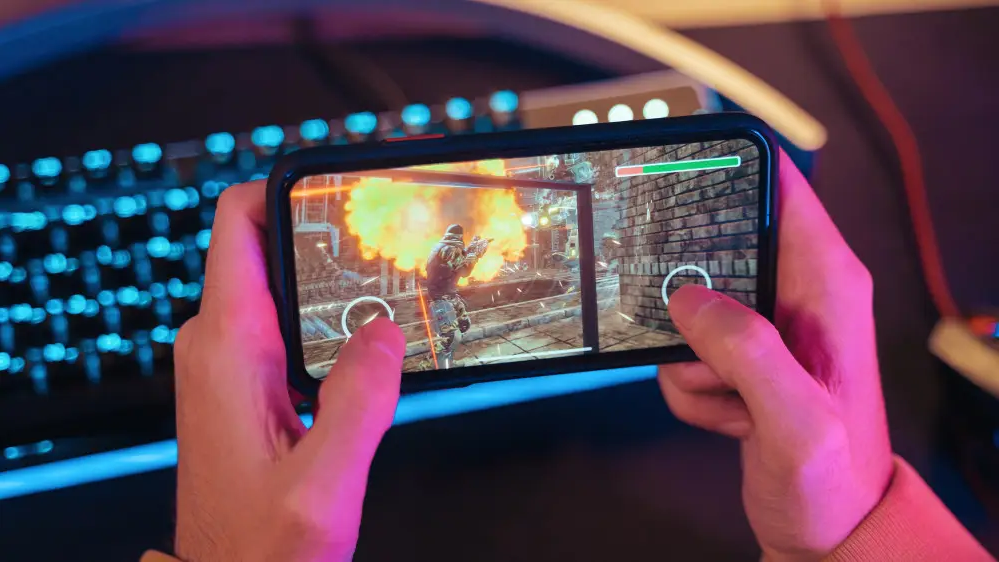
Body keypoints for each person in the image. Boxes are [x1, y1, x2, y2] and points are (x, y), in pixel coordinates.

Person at [141, 152, 994, 562]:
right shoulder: (443, 255)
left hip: (447, 301)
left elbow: (465, 261)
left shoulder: (458, 253)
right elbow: (452, 265)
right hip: (441, 301)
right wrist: (853, 537)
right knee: (449, 326)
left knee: (455, 329)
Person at [424, 224, 490, 369]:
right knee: (451, 336)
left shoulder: (445, 247)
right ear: (459, 237)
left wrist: (472, 248)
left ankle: (447, 362)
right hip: (440, 297)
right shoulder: (448, 249)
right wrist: (476, 254)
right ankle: (429, 366)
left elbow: (458, 260)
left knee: (463, 324)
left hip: (448, 294)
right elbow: (464, 270)